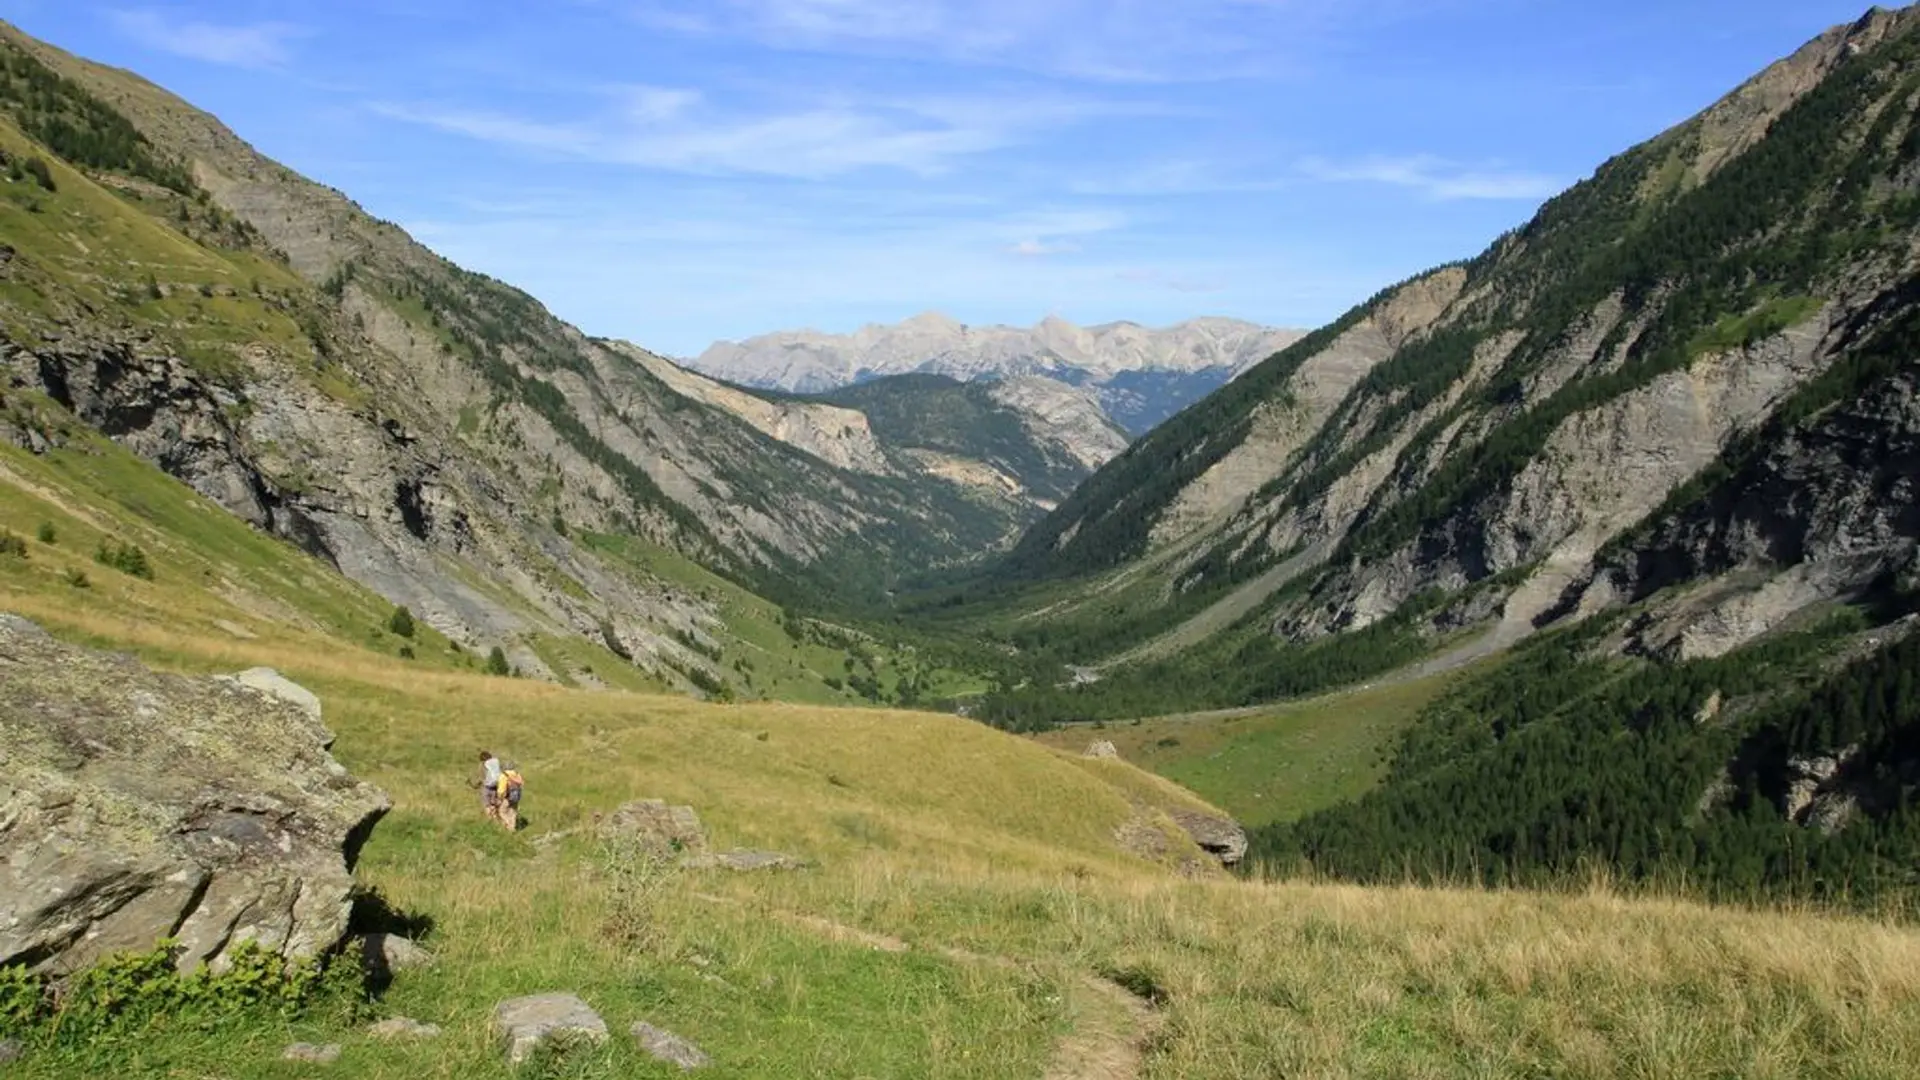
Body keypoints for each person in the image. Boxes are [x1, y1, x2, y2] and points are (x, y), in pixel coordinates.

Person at [478, 749, 502, 824]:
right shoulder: (496, 762)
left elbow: (481, 777)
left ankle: (490, 820)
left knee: (487, 805)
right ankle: (496, 821)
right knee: (493, 804)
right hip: (496, 786)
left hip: (487, 787)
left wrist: (478, 783)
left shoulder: (484, 765)